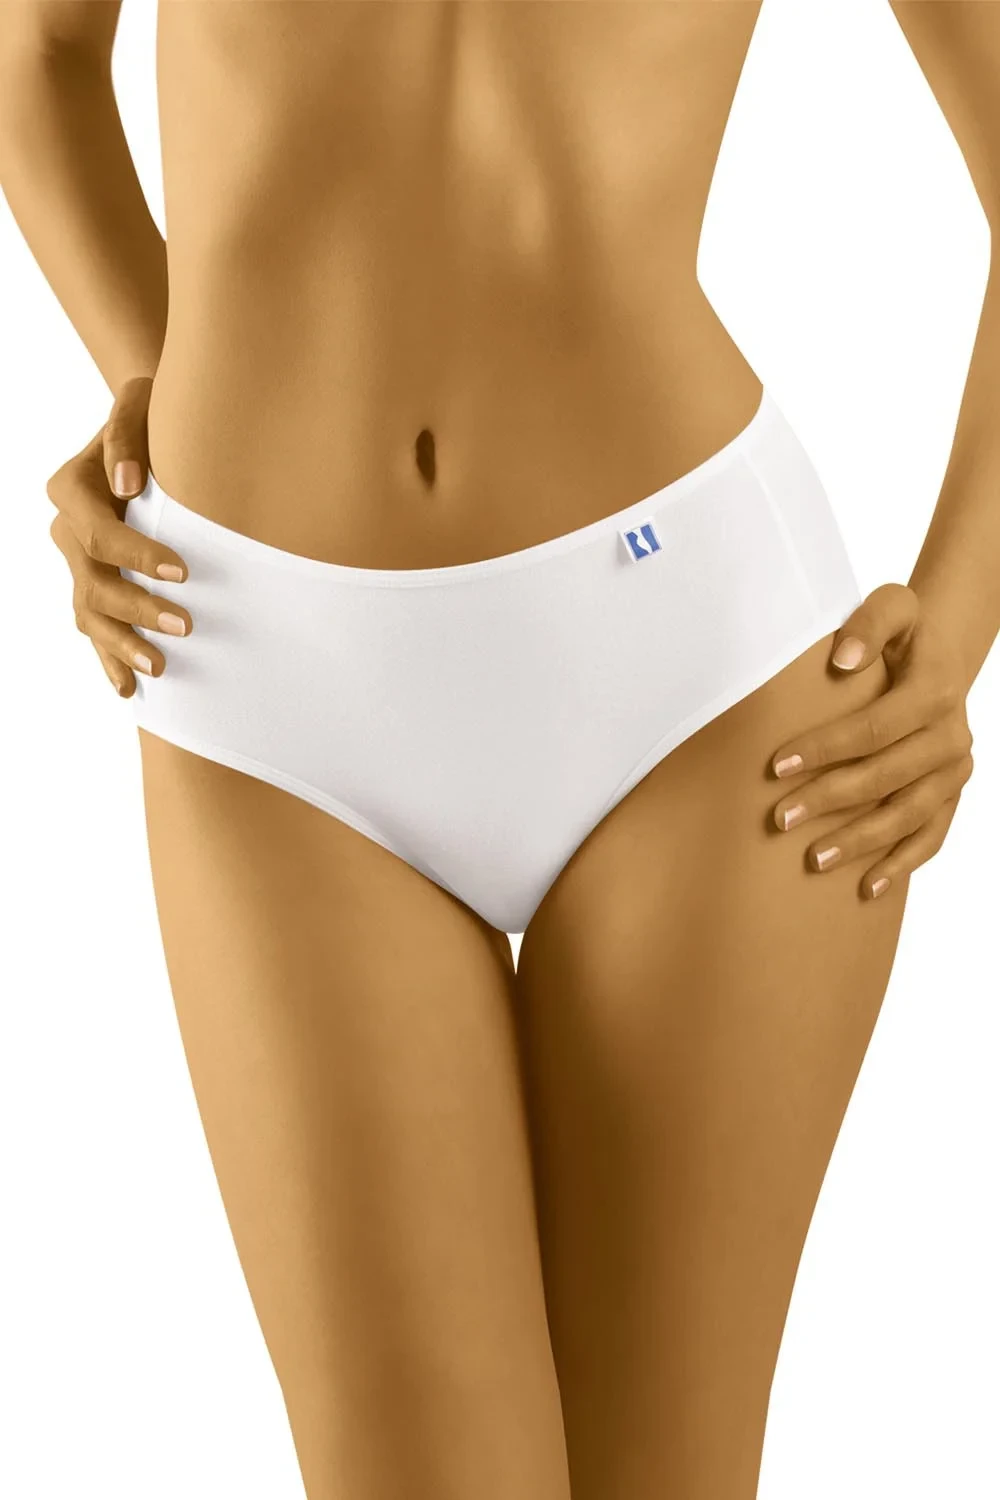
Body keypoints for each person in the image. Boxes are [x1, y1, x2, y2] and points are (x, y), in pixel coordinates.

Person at [0, 4, 994, 1498]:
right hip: (258, 660)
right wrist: (157, 397)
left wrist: (957, 638)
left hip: (702, 672)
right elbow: (35, 56)